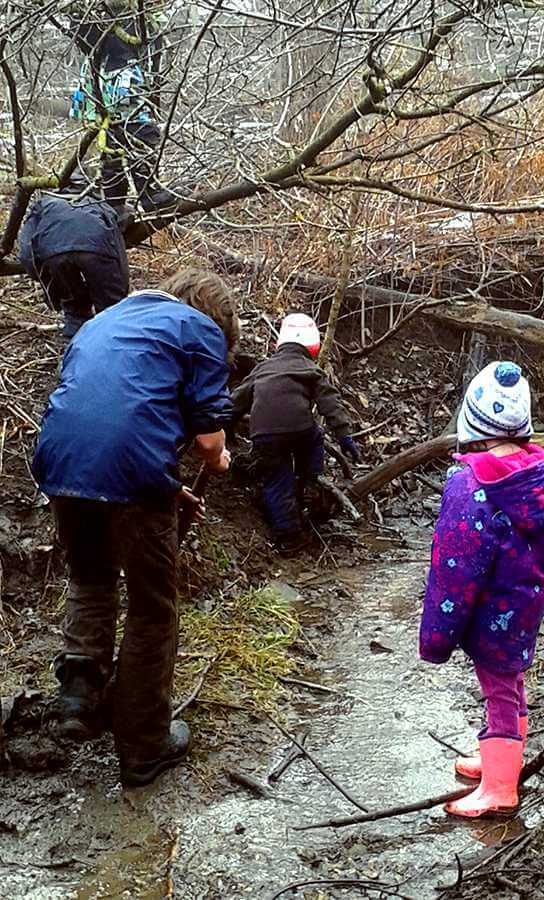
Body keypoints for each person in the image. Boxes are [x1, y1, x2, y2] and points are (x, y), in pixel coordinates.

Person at [32, 269, 235, 788]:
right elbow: (210, 443)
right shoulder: (200, 330)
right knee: (153, 607)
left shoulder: (102, 323)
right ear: (214, 315)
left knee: (91, 574)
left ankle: (79, 696)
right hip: (129, 473)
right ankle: (145, 746)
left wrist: (163, 486)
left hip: (60, 464)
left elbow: (112, 409)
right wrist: (217, 461)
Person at [419, 361, 544, 818]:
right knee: (510, 680)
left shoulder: (470, 486)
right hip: (528, 602)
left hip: (492, 612)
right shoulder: (542, 473)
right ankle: (500, 760)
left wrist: (436, 636)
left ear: (472, 423)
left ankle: (501, 787)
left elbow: (454, 567)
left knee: (499, 688)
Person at [231, 313, 360, 552]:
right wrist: (344, 436)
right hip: (300, 428)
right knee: (315, 437)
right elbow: (330, 402)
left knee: (276, 480)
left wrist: (223, 425)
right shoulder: (310, 369)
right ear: (312, 347)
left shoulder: (263, 368)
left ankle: (289, 536)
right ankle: (311, 480)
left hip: (263, 434)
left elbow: (237, 400)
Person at [67, 0, 173, 212]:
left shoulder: (134, 17)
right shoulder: (110, 15)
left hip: (116, 83)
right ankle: (146, 193)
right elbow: (87, 37)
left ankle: (115, 205)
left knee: (116, 140)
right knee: (137, 134)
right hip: (119, 84)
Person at [18, 190, 129, 342]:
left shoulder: (43, 203)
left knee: (74, 307)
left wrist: (43, 280)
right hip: (96, 248)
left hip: (54, 253)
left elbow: (25, 249)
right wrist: (120, 290)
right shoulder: (98, 203)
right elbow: (117, 245)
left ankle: (72, 350)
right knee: (112, 309)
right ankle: (114, 347)